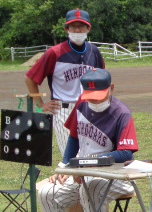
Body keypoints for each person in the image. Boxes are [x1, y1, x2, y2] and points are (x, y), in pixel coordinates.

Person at [37, 69, 138, 212]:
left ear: (111, 89)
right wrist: (66, 165)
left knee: (89, 191)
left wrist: (86, 164)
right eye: (89, 96)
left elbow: (126, 153)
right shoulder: (82, 105)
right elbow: (73, 137)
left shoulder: (121, 113)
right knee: (47, 193)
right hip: (83, 174)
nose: (94, 101)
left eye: (98, 96)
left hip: (115, 177)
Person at [25, 9, 105, 155]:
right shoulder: (55, 53)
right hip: (64, 109)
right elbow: (30, 78)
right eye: (73, 26)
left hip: (88, 108)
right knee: (73, 158)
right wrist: (40, 105)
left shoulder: (94, 52)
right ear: (66, 29)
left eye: (81, 26)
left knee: (92, 156)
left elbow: (102, 80)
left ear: (88, 28)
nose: (77, 29)